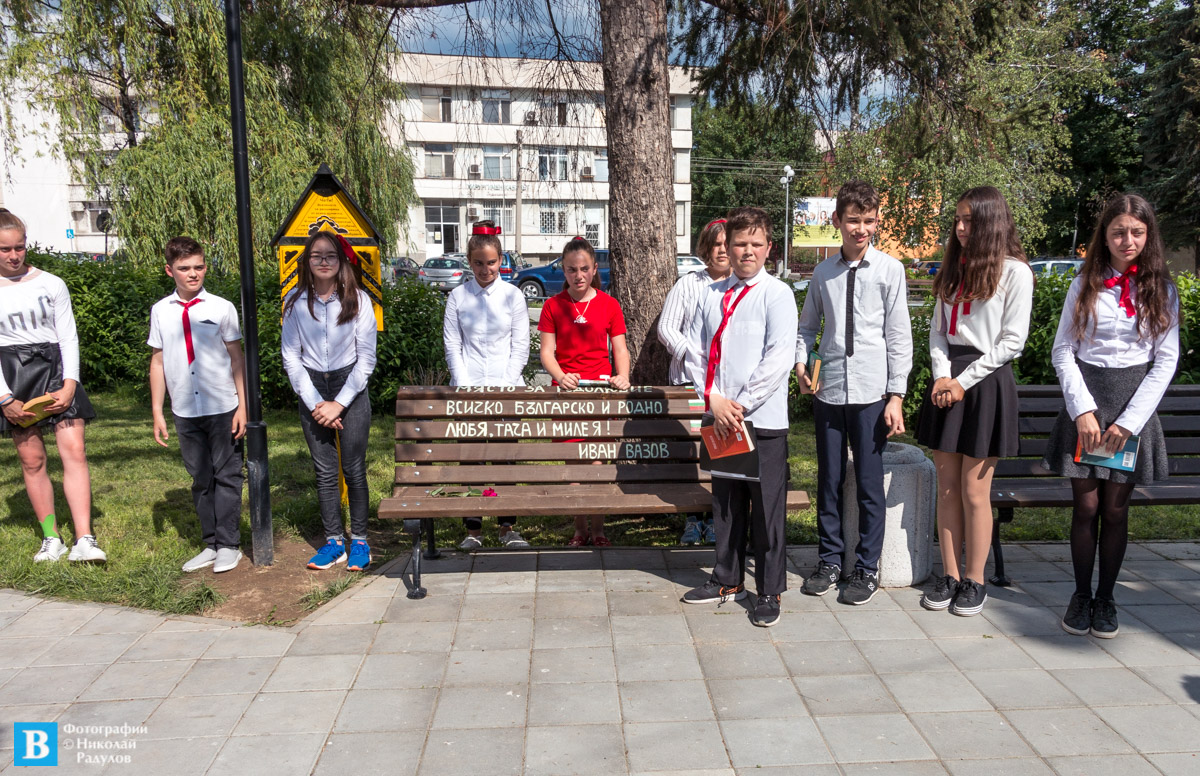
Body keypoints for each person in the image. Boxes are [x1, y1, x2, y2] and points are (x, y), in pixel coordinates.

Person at [1041, 194, 1179, 639]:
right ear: (1104, 235)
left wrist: (1128, 422)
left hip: (1132, 404)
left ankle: (1106, 598)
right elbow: (1063, 351)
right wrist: (1082, 410)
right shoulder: (1083, 285)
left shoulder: (1162, 290)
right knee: (1086, 505)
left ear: (1148, 236)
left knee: (1116, 510)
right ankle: (1081, 595)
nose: (1127, 240)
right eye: (1118, 232)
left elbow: (1165, 360)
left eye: (1137, 232)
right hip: (1088, 401)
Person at [915, 186, 1033, 617]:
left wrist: (962, 381)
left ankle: (975, 579)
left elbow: (1012, 341)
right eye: (958, 220)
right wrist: (941, 375)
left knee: (974, 491)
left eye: (970, 220)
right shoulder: (953, 271)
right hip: (949, 382)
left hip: (984, 383)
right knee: (946, 487)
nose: (961, 228)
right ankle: (948, 574)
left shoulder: (1015, 273)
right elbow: (937, 332)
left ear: (991, 222)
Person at [796, 180, 912, 604]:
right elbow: (807, 327)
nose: (861, 229)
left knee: (868, 483)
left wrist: (896, 394)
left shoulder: (890, 270)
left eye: (869, 221)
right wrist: (800, 364)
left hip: (871, 393)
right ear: (837, 221)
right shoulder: (823, 272)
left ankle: (866, 567)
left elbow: (899, 335)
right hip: (829, 391)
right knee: (828, 480)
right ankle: (829, 560)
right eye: (853, 220)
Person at [681, 207, 798, 627]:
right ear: (727, 247)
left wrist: (741, 405)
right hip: (721, 417)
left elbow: (778, 358)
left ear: (769, 248)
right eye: (739, 243)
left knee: (766, 510)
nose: (747, 251)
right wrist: (713, 399)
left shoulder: (777, 294)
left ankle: (769, 590)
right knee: (727, 504)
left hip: (760, 420)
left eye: (755, 243)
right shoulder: (712, 294)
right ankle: (727, 579)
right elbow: (697, 352)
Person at [0, 209, 106, 563]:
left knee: (74, 450)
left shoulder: (51, 283)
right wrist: (4, 398)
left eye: (19, 247)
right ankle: (51, 538)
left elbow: (68, 336)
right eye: (5, 249)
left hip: (56, 370)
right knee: (32, 461)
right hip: (12, 377)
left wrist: (70, 384)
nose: (14, 255)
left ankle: (85, 538)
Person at [149, 237, 247, 573]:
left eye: (199, 267)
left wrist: (243, 406)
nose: (193, 274)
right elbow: (158, 361)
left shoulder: (221, 307)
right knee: (201, 477)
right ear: (169, 270)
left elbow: (237, 358)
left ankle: (229, 545)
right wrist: (157, 411)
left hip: (222, 405)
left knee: (228, 474)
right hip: (185, 410)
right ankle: (211, 543)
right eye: (184, 268)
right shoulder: (161, 311)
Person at [282, 230, 377, 571]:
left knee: (353, 469)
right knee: (324, 471)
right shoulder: (295, 301)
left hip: (349, 384)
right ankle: (334, 542)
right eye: (316, 256)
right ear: (307, 261)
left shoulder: (359, 300)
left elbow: (366, 359)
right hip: (311, 386)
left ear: (341, 261)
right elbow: (291, 356)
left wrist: (339, 403)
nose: (323, 261)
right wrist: (314, 403)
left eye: (330, 256)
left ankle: (360, 541)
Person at [538, 236, 631, 547]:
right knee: (573, 464)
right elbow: (547, 352)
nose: (578, 275)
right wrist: (560, 376)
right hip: (567, 394)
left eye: (584, 269)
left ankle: (599, 529)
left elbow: (620, 348)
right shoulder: (553, 305)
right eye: (571, 269)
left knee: (597, 463)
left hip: (599, 393)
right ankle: (579, 530)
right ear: (563, 271)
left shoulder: (609, 304)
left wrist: (622, 376)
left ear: (593, 269)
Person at [444, 220, 531, 550]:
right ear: (470, 261)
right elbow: (453, 345)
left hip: (506, 388)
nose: (485, 269)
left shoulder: (513, 296)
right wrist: (466, 388)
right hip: (468, 389)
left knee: (505, 460)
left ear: (500, 260)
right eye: (478, 263)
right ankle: (473, 529)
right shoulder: (458, 297)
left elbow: (520, 346)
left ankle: (507, 527)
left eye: (491, 262)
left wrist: (504, 389)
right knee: (472, 461)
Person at [658, 218, 731, 545]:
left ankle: (717, 518)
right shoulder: (689, 284)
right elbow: (666, 327)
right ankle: (692, 518)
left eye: (727, 244)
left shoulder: (741, 284)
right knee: (691, 454)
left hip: (725, 387)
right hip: (689, 384)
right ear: (706, 248)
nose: (722, 251)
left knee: (720, 453)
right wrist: (692, 355)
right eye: (716, 244)